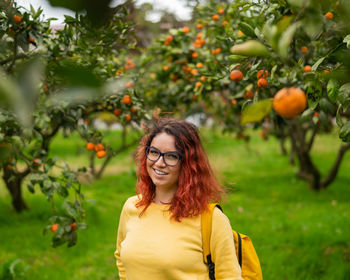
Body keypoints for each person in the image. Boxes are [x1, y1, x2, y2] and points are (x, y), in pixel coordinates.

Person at [114, 118, 243, 280]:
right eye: (154, 152)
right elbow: (121, 258)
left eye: (171, 156)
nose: (159, 163)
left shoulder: (211, 219)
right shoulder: (132, 207)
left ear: (188, 163)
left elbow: (229, 276)